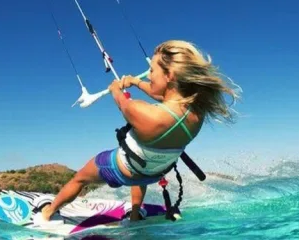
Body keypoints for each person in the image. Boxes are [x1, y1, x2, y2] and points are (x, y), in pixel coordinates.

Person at [35, 39, 240, 226]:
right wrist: (134, 81)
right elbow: (163, 96)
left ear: (169, 76)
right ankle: (134, 215)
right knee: (143, 158)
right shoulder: (197, 112)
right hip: (153, 173)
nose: (149, 75)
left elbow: (123, 103)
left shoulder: (143, 113)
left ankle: (47, 213)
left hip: (120, 169)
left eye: (151, 70)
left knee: (80, 178)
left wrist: (115, 88)